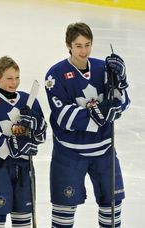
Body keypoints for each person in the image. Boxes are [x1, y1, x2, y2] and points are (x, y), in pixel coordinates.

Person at [44, 22, 130, 227]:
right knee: (63, 214)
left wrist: (121, 81)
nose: (84, 50)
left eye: (87, 44)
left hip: (104, 151)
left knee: (112, 209)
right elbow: (63, 116)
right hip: (69, 154)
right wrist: (100, 113)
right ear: (69, 46)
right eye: (78, 45)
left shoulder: (103, 68)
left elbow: (123, 102)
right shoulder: (55, 75)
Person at [0, 56, 47, 227]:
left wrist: (36, 126)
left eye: (17, 77)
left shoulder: (27, 100)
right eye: (9, 78)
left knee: (23, 220)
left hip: (24, 168)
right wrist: (12, 145)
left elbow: (42, 135)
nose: (14, 82)